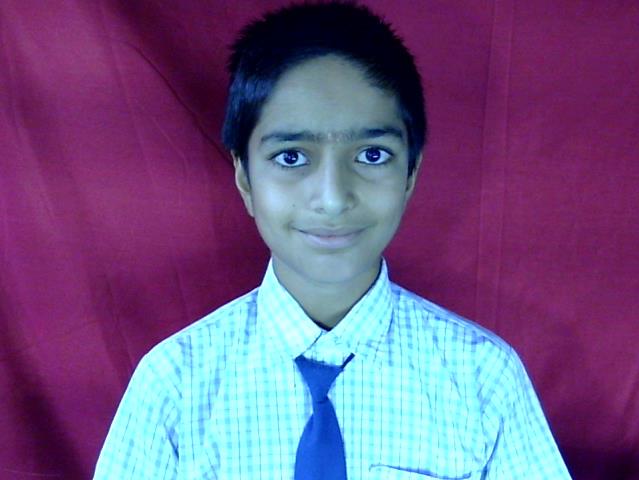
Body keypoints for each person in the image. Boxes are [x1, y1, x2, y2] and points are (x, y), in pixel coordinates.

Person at [94, 2, 572, 479]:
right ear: (244, 178)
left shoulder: (483, 379)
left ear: (410, 173)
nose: (333, 198)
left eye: (371, 154)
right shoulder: (176, 384)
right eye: (291, 157)